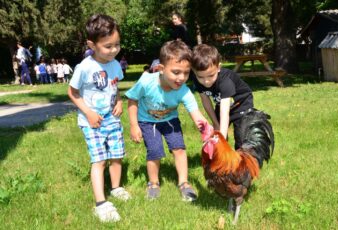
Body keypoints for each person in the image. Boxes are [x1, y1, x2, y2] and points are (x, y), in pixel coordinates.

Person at [125, 40, 207, 201]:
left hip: (170, 121)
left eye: (186, 73)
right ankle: (153, 183)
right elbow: (132, 100)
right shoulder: (146, 82)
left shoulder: (184, 91)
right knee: (155, 151)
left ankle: (184, 183)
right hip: (147, 122)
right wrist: (134, 125)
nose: (181, 78)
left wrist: (206, 129)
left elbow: (196, 113)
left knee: (179, 149)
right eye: (176, 72)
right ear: (162, 69)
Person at [68, 14, 130, 223]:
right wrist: (89, 113)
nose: (114, 50)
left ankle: (116, 187)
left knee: (117, 154)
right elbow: (72, 93)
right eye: (108, 46)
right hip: (92, 121)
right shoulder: (84, 67)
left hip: (112, 118)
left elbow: (115, 87)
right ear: (92, 45)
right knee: (99, 160)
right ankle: (101, 203)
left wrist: (119, 102)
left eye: (117, 45)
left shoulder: (114, 64)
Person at [191, 44, 254, 150]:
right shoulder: (197, 80)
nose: (206, 81)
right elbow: (205, 101)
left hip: (241, 104)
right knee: (216, 131)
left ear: (218, 67)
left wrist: (222, 138)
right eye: (201, 77)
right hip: (222, 104)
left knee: (241, 137)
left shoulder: (225, 81)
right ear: (194, 71)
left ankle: (241, 159)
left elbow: (225, 113)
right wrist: (215, 124)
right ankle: (222, 157)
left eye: (211, 75)